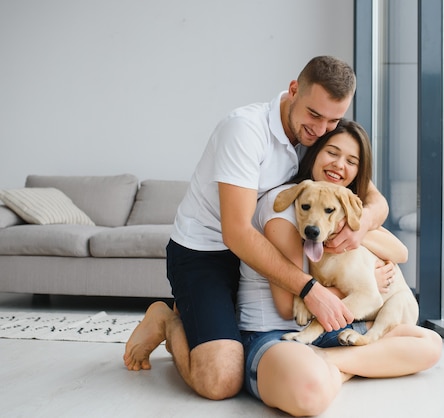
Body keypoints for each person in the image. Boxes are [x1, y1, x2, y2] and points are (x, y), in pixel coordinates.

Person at [123, 56, 391, 400]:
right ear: (294, 91)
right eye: (314, 115)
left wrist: (361, 224)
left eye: (332, 120)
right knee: (220, 380)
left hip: (260, 251)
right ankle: (167, 319)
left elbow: (372, 195)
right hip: (206, 251)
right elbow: (236, 233)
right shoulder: (245, 130)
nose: (322, 129)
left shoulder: (320, 139)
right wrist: (310, 290)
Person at [239, 119, 443, 416]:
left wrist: (360, 230)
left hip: (336, 324)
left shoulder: (343, 211)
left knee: (430, 343)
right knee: (309, 396)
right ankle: (357, 363)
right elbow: (289, 308)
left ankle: (331, 361)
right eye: (331, 152)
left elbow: (400, 252)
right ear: (314, 151)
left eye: (351, 161)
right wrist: (364, 282)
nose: (339, 165)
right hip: (278, 331)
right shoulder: (288, 207)